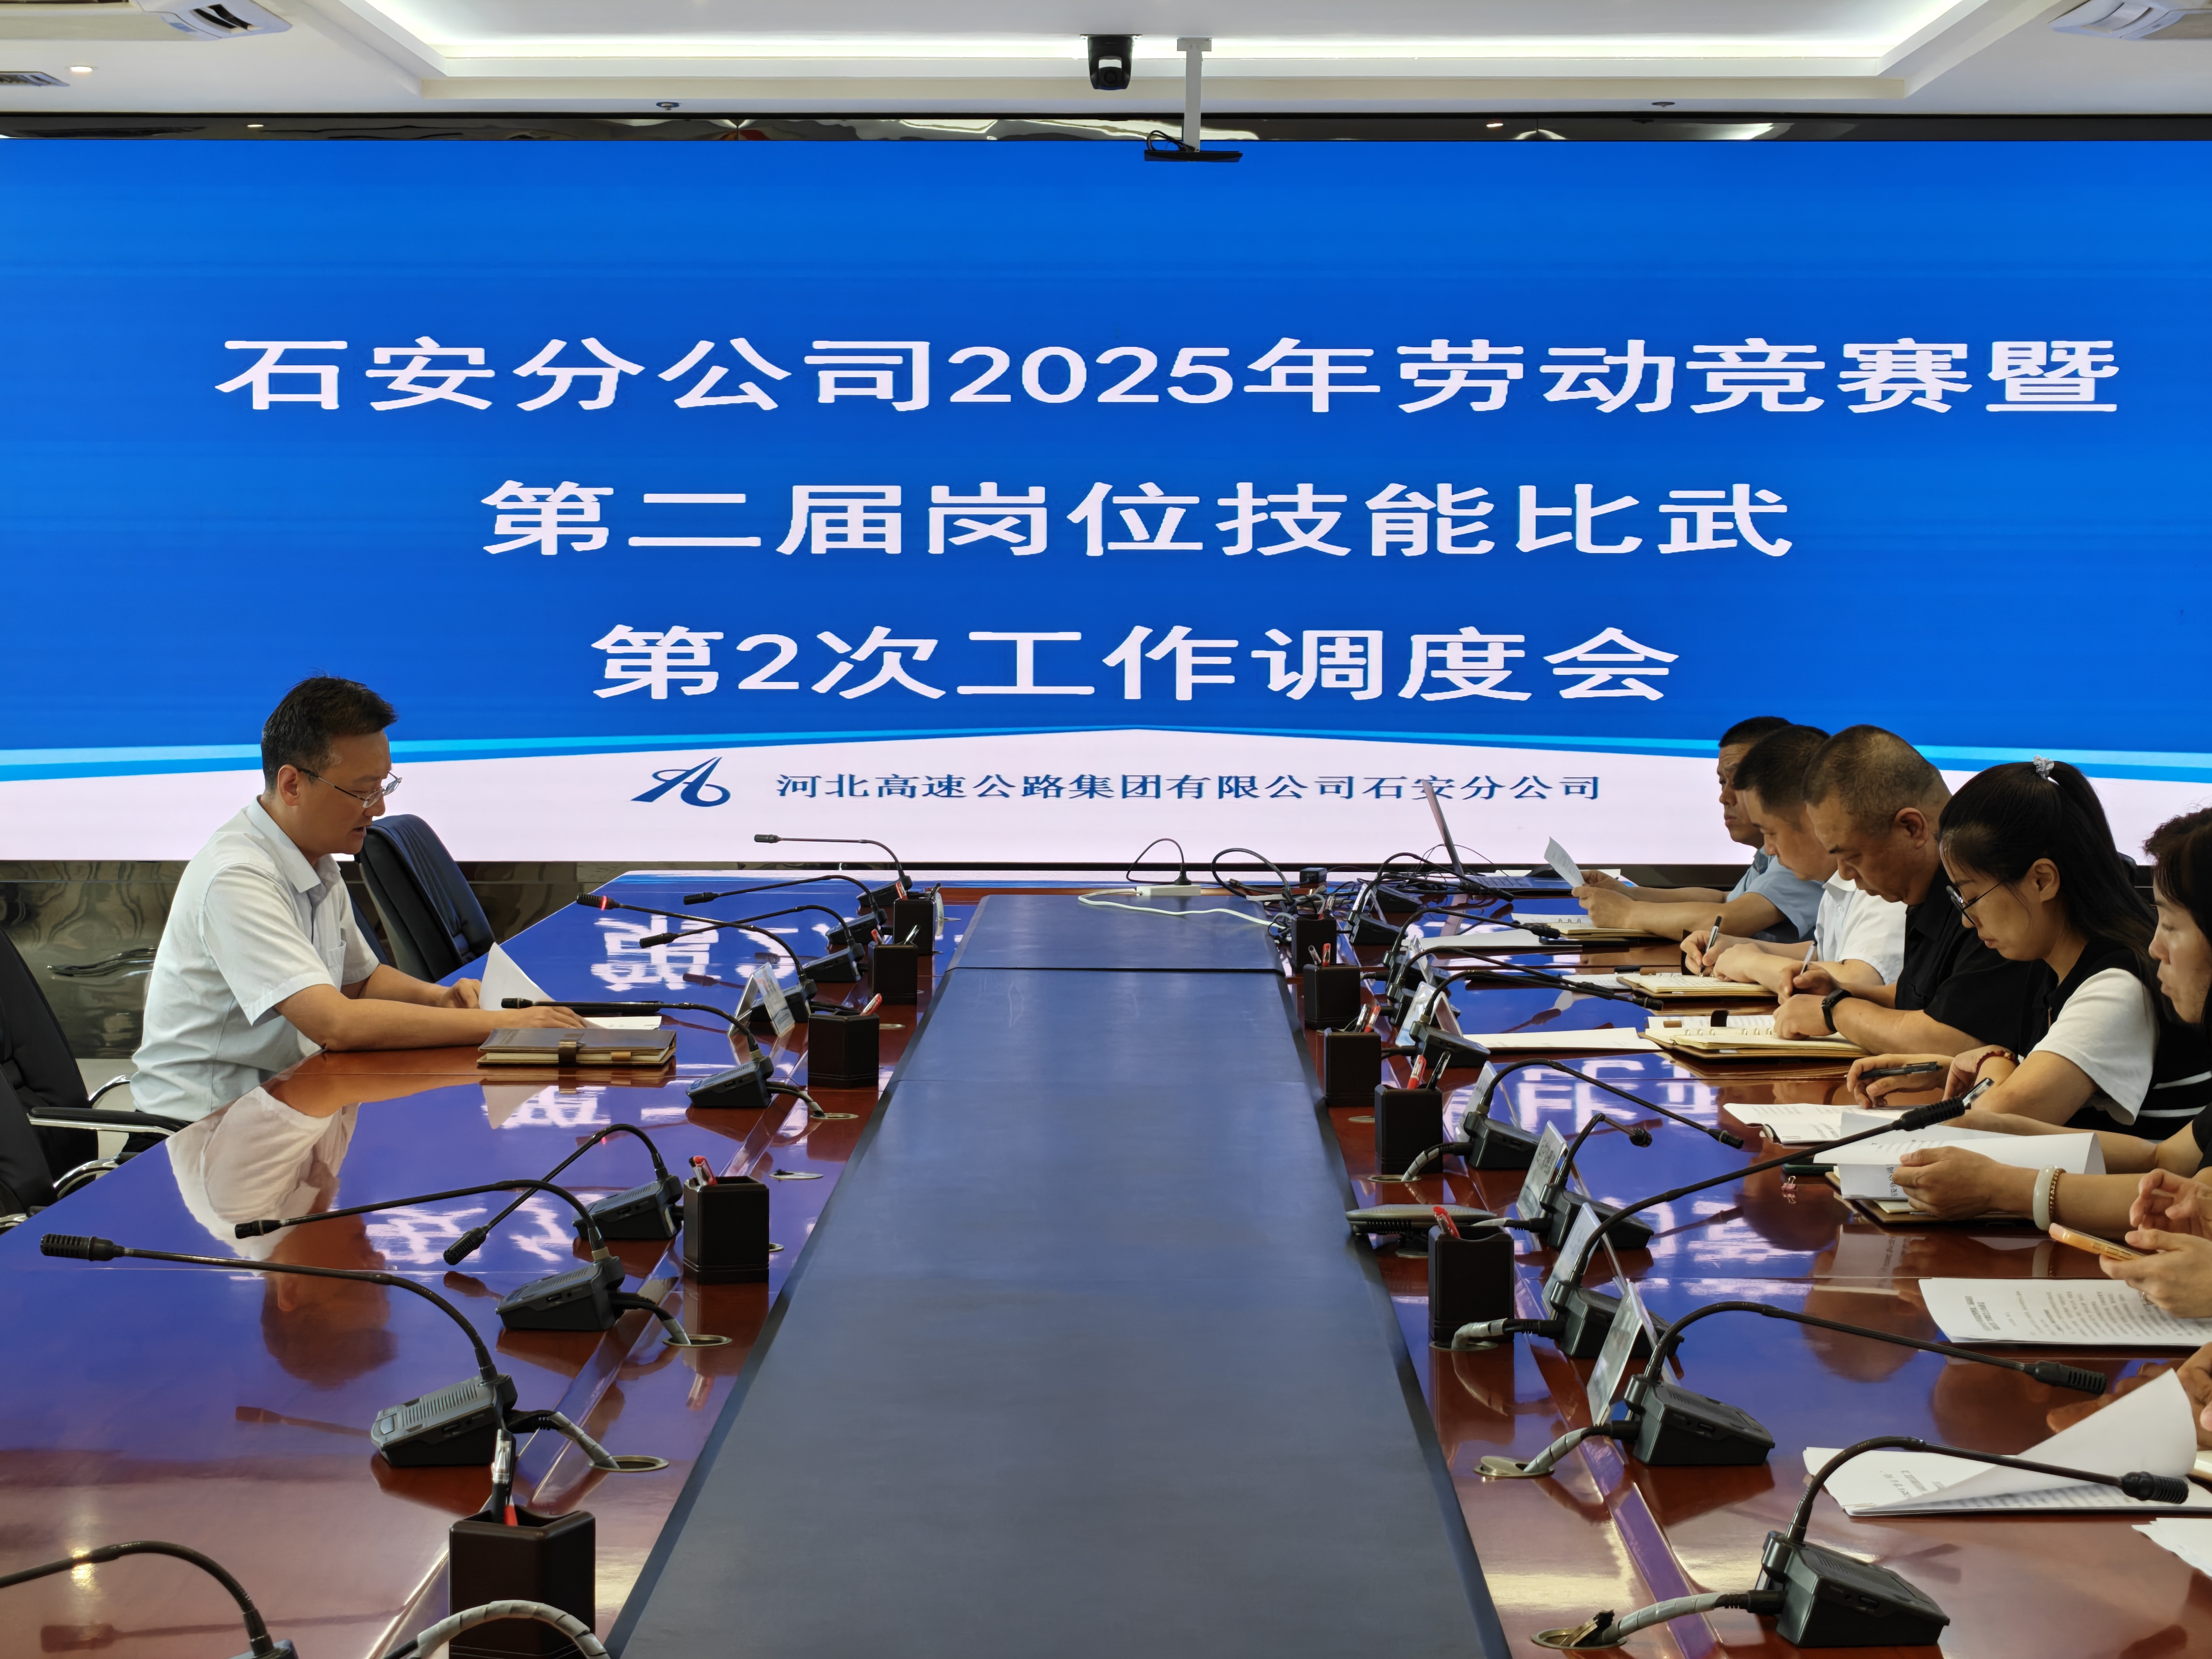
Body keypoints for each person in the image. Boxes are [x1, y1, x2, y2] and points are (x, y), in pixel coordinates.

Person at [132, 677, 581, 1123]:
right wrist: (504, 1026)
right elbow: (336, 1025)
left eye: (384, 786)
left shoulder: (315, 856)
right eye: (363, 790)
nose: (378, 808)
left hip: (292, 1102)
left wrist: (439, 998)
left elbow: (360, 982)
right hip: (203, 1129)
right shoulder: (237, 876)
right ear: (292, 785)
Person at [1856, 789, 2212, 1228]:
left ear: (2043, 880)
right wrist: (1995, 1106)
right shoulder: (2047, 968)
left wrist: (2002, 1177)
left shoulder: (2117, 984)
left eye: (2171, 925)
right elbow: (2164, 1159)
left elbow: (2199, 1203)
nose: (2156, 948)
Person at [1771, 726, 2043, 1052]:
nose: (1844, 873)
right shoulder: (1924, 887)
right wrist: (1841, 992)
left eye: (1852, 856)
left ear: (1912, 828)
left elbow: (1961, 1038)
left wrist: (1835, 1012)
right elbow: (1921, 997)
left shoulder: (1995, 885)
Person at [1570, 715, 1823, 946]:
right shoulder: (1773, 852)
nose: (1724, 797)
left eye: (1740, 783)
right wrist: (1628, 894)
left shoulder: (1805, 855)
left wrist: (1628, 914)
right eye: (1723, 782)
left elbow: (1730, 918)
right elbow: (1726, 900)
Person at [1701, 724, 1905, 991]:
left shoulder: (1880, 880)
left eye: (1771, 832)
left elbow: (1859, 978)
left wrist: (1753, 963)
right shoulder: (1835, 882)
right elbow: (1826, 954)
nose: (1769, 849)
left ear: (1813, 817)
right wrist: (1738, 946)